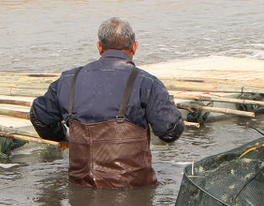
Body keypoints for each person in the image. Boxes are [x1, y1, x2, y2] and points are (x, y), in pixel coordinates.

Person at [30, 17, 184, 188]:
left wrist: (62, 136)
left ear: (99, 47)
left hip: (80, 190)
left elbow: (39, 117)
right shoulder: (146, 83)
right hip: (133, 192)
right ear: (134, 47)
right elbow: (169, 131)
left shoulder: (69, 80)